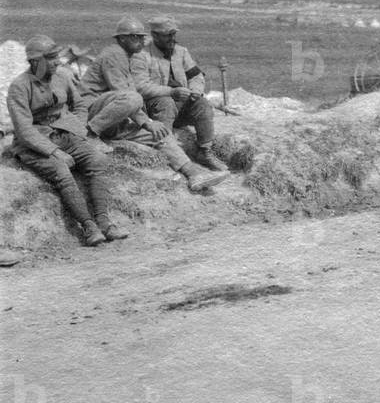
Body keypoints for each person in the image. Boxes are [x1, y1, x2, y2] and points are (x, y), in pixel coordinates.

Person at [78, 16, 228, 192]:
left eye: (141, 37)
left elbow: (195, 75)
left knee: (161, 133)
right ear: (121, 38)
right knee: (138, 101)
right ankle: (91, 134)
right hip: (93, 111)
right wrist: (147, 121)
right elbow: (128, 94)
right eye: (134, 36)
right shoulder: (114, 55)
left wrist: (150, 124)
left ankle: (193, 173)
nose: (140, 41)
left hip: (115, 116)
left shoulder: (136, 55)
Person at [7, 35, 127, 246]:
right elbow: (24, 129)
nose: (58, 62)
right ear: (35, 61)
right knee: (61, 171)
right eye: (51, 58)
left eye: (57, 57)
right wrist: (54, 151)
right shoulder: (20, 87)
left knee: (97, 160)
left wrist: (78, 128)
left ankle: (105, 222)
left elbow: (79, 105)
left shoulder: (62, 76)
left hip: (66, 135)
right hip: (34, 143)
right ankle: (89, 227)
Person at [131, 16, 228, 171]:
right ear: (155, 35)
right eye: (167, 35)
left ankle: (204, 151)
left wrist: (196, 90)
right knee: (166, 101)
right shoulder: (141, 55)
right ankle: (168, 153)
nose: (172, 38)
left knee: (202, 104)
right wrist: (171, 91)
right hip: (153, 110)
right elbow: (140, 87)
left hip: (179, 108)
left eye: (173, 34)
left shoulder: (181, 52)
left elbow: (196, 75)